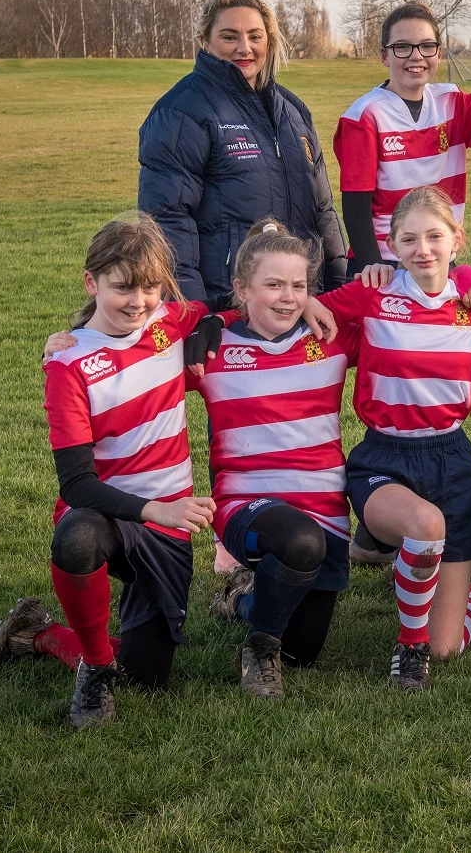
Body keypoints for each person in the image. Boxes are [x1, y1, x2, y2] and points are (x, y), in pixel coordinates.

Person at [0, 214, 215, 728]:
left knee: (149, 680)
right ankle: (97, 668)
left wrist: (209, 331)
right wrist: (162, 508)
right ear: (92, 282)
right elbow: (78, 484)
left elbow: (214, 310)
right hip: (108, 515)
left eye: (151, 287)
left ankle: (35, 631)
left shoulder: (169, 322)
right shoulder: (68, 364)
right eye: (122, 287)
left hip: (165, 528)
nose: (139, 302)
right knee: (76, 536)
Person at [302, 187, 471, 689]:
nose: (423, 249)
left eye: (435, 236)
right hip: (385, 454)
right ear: (392, 245)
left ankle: (470, 584)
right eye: (409, 239)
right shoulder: (374, 294)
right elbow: (307, 312)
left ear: (458, 239)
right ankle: (408, 650)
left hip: (452, 457)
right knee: (423, 524)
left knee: (447, 647)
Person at [193, 221, 357, 699]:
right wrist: (73, 339)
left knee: (303, 651)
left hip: (325, 511)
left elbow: (403, 299)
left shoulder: (331, 337)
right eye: (274, 285)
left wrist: (469, 279)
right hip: (247, 503)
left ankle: (244, 597)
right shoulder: (212, 349)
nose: (288, 298)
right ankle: (258, 650)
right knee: (298, 543)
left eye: (299, 286)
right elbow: (138, 338)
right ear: (242, 289)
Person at [139, 0, 348, 305]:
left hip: (302, 299)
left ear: (269, 40)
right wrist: (194, 314)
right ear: (205, 41)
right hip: (230, 306)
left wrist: (340, 291)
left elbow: (323, 212)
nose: (244, 48)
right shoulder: (182, 112)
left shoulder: (293, 112)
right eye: (229, 37)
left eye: (255, 36)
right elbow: (168, 223)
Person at [334, 2, 471, 269]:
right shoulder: (365, 116)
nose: (416, 56)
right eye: (402, 47)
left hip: (440, 258)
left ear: (438, 54)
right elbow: (355, 208)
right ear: (384, 56)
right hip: (386, 262)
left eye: (426, 46)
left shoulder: (451, 102)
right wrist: (372, 267)